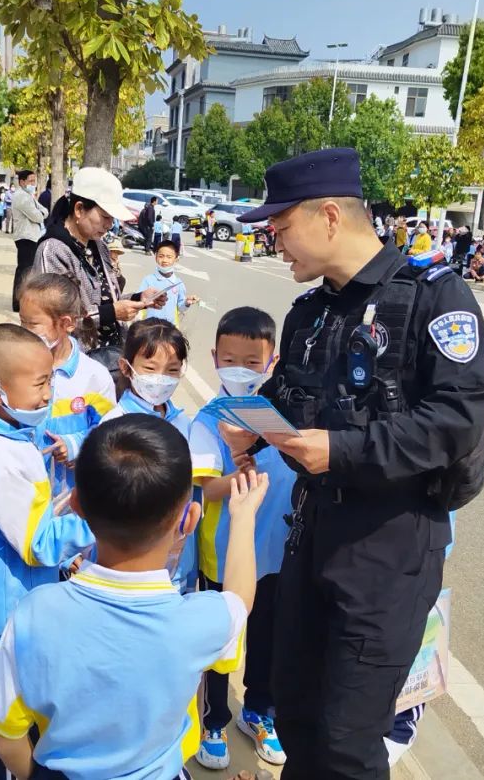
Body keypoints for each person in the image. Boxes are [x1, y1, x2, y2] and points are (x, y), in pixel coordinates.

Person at [219, 148, 484, 780]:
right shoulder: (312, 310)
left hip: (387, 550)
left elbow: (456, 421)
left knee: (347, 742)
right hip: (311, 537)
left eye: (281, 227)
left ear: (331, 216)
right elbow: (287, 392)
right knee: (295, 713)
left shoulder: (432, 296)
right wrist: (254, 431)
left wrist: (339, 450)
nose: (273, 241)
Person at [0, 415, 265, 779]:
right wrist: (243, 515)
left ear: (77, 505)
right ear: (189, 519)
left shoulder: (34, 613)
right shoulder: (198, 622)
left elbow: (5, 741)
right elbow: (239, 600)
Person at [0, 323, 95, 780]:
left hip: (5, 603)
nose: (49, 393)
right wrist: (100, 521)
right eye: (40, 383)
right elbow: (36, 545)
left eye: (51, 379)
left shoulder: (12, 437)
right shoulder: (3, 457)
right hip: (2, 616)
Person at [191, 307, 294, 770]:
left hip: (274, 553)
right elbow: (202, 486)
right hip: (222, 554)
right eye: (229, 359)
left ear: (271, 362)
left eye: (252, 362)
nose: (240, 369)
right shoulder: (208, 420)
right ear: (214, 357)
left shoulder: (280, 419)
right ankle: (213, 719)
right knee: (221, 641)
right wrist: (237, 470)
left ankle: (260, 712)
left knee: (269, 637)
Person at [101, 318, 197, 591]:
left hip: (179, 557)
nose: (161, 379)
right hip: (130, 560)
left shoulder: (183, 423)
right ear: (126, 368)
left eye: (172, 370)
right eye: (151, 368)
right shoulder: (114, 424)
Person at [33, 167, 166, 349]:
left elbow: (107, 300)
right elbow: (56, 317)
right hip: (76, 359)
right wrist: (111, 313)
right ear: (79, 209)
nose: (110, 225)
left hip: (111, 353)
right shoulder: (53, 250)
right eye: (105, 216)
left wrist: (139, 298)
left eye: (112, 218)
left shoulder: (98, 246)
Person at [17, 273, 116, 483]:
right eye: (22, 322)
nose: (24, 332)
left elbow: (109, 434)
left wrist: (75, 445)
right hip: (25, 491)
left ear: (67, 323)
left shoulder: (95, 376)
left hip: (71, 497)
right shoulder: (15, 367)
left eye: (32, 324)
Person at [10, 169, 49, 312]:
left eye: (34, 181)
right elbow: (38, 216)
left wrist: (41, 213)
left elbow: (44, 211)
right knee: (24, 270)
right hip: (26, 237)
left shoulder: (29, 196)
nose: (33, 184)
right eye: (31, 181)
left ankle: (21, 301)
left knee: (27, 270)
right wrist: (41, 213)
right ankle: (17, 302)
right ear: (22, 182)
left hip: (32, 237)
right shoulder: (22, 197)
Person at [139, 239, 198, 325]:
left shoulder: (178, 283)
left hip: (170, 328)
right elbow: (138, 301)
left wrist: (186, 303)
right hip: (150, 327)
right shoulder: (148, 280)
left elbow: (181, 307)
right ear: (155, 257)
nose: (164, 260)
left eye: (169, 257)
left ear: (176, 259)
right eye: (161, 256)